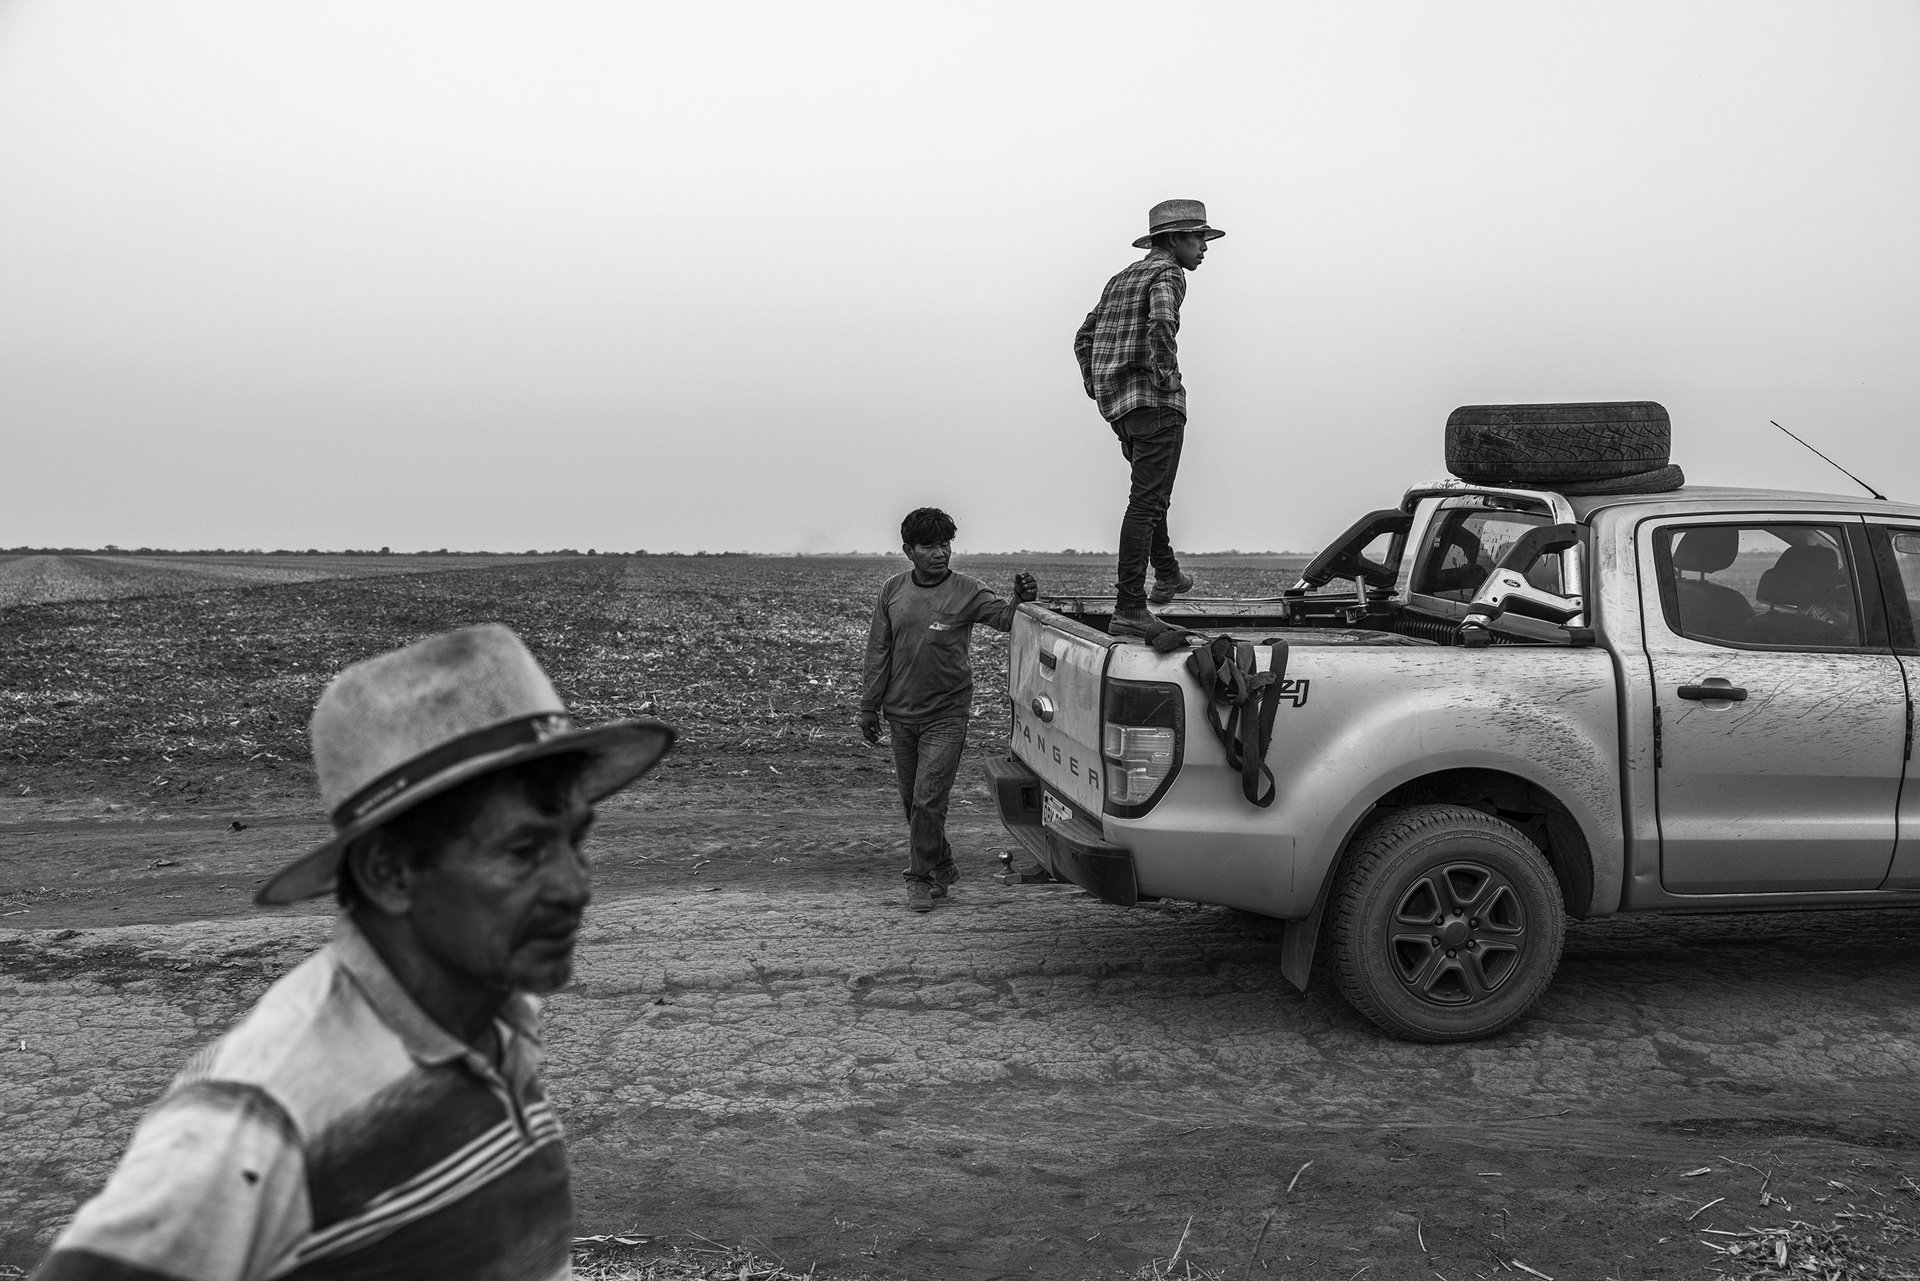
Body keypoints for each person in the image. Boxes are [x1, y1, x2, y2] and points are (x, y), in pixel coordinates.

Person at [32, 624, 676, 1281]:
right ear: (389, 872)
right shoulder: (263, 1118)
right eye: (523, 851)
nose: (576, 884)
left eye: (576, 839)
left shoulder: (494, 1013)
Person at [859, 507, 1037, 913]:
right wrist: (868, 707)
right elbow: (878, 650)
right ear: (909, 551)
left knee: (927, 799)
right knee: (912, 802)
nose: (940, 553)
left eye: (945, 544)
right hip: (900, 715)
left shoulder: (968, 591)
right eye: (929, 546)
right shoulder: (892, 590)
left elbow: (1007, 619)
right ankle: (943, 866)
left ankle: (918, 879)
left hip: (947, 715)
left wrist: (1022, 599)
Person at [1074, 198, 1225, 639]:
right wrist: (1165, 377)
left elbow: (1083, 336)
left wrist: (1098, 386)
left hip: (1121, 410)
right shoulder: (1168, 274)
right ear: (1174, 239)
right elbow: (1162, 322)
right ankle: (1130, 608)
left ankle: (1168, 574)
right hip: (1154, 405)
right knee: (1146, 504)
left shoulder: (1119, 279)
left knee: (1149, 496)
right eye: (1198, 237)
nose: (1204, 247)